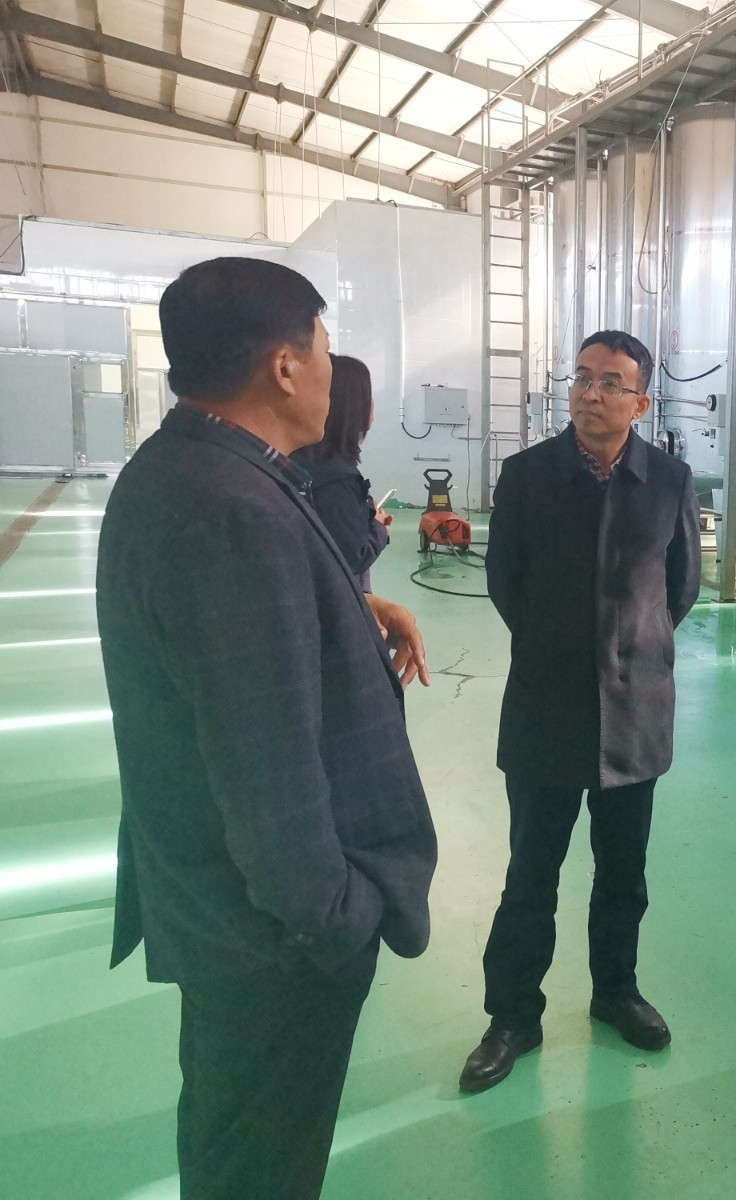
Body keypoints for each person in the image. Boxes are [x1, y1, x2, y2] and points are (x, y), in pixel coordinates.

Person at [96, 257, 438, 1199]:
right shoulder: (229, 509)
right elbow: (263, 762)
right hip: (271, 939)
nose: (330, 367)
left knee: (235, 1143)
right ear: (285, 366)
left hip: (230, 915)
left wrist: (350, 613)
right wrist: (333, 920)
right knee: (261, 1166)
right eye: (323, 346)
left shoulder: (193, 471)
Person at [459, 329, 701, 1094]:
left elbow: (681, 587)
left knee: (623, 873)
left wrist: (630, 649)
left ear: (641, 402)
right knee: (531, 873)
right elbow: (505, 581)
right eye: (583, 378)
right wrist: (558, 645)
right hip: (547, 705)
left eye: (611, 383)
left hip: (636, 711)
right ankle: (512, 1016)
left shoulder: (669, 480)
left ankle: (616, 992)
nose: (591, 394)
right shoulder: (527, 475)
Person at [292, 354, 393, 591]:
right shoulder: (336, 480)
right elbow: (354, 555)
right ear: (354, 406)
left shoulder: (298, 461)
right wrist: (379, 527)